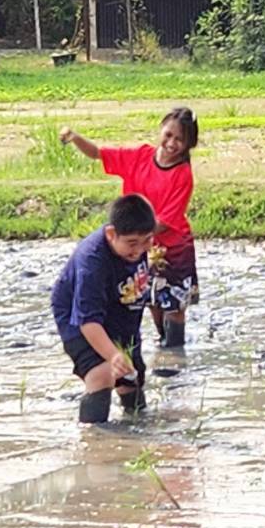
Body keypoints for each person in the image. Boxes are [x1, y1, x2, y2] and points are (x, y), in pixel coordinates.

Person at [60, 108, 199, 348]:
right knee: (152, 299)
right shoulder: (140, 156)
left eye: (179, 140)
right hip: (141, 245)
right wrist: (75, 137)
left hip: (172, 248)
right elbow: (97, 153)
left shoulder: (183, 174)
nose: (171, 143)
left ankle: (175, 349)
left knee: (174, 305)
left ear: (188, 144)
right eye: (168, 135)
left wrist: (130, 237)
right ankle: (164, 346)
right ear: (160, 130)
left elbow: (166, 220)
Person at [51, 194, 155, 424]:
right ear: (111, 234)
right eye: (131, 244)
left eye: (147, 241)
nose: (139, 251)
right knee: (101, 374)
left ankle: (135, 435)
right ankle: (94, 443)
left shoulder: (139, 245)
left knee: (131, 377)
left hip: (122, 307)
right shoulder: (92, 261)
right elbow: (88, 321)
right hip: (78, 318)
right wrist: (113, 355)